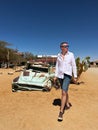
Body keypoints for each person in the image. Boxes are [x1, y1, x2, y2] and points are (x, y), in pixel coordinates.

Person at [54, 42, 77, 121]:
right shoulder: (58, 55)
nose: (67, 47)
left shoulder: (71, 54)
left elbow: (74, 65)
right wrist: (55, 75)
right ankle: (67, 103)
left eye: (67, 46)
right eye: (65, 46)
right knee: (65, 91)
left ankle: (61, 112)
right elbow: (57, 66)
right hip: (60, 75)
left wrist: (75, 76)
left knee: (63, 92)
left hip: (67, 75)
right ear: (61, 47)